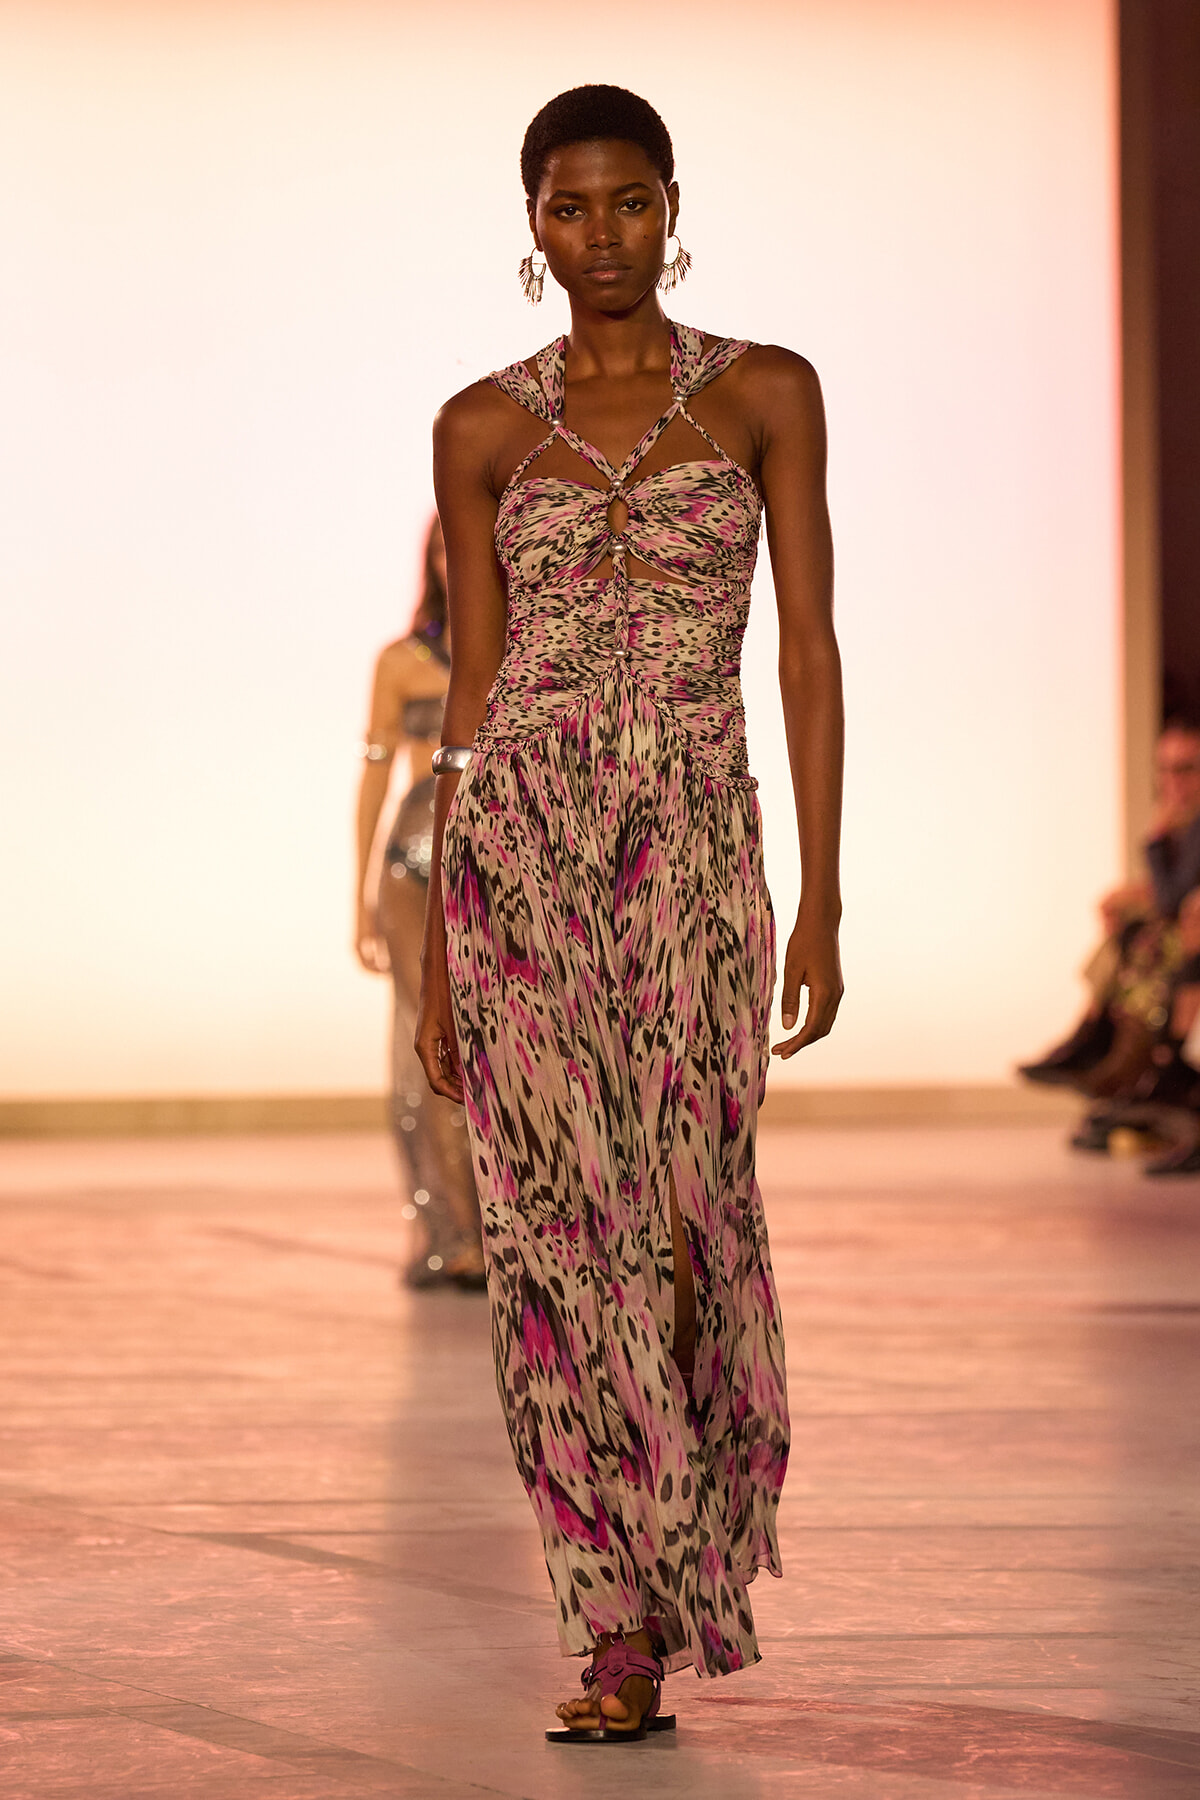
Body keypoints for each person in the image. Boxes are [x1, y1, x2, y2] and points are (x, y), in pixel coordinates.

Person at [416, 85, 844, 1742]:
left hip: (696, 844)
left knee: (685, 1213)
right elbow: (471, 692)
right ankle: (617, 1632)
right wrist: (449, 946)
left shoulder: (766, 392)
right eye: (568, 210)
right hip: (518, 851)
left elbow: (805, 647)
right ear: (532, 225)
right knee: (554, 1243)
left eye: (629, 205)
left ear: (674, 207)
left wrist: (818, 887)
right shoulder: (476, 429)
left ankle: (690, 1542)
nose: (601, 236)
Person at [354, 516, 485, 1289]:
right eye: (443, 544)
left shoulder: (522, 649)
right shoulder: (401, 663)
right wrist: (359, 893)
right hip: (410, 866)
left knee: (490, 1039)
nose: (456, 554)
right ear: (430, 559)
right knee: (424, 1036)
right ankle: (450, 1231)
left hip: (494, 864)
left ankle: (502, 1226)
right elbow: (376, 775)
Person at [1021, 719, 1200, 1109]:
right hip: (1179, 936)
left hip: (1188, 942)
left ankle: (1129, 1058)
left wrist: (1155, 840)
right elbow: (1171, 892)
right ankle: (1098, 1038)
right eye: (1165, 769)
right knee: (1130, 934)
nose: (1172, 781)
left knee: (1145, 946)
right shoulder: (1185, 827)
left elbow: (1174, 897)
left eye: (1185, 769)